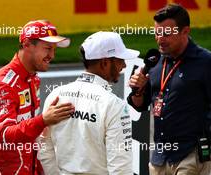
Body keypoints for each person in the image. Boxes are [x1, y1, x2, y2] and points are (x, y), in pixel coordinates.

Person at [37, 31, 140, 175]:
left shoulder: (56, 95)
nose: (123, 65)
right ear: (104, 62)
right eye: (119, 60)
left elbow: (44, 149)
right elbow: (121, 167)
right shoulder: (114, 105)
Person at [0, 20, 75, 175]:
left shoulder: (33, 79)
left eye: (54, 50)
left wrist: (38, 167)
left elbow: (27, 131)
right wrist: (43, 120)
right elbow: (5, 135)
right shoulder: (3, 85)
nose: (52, 56)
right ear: (27, 45)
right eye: (47, 49)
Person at [127, 4, 211, 175]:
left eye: (166, 33)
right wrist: (138, 90)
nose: (160, 39)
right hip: (159, 157)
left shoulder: (205, 62)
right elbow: (140, 105)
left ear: (185, 31)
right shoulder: (154, 62)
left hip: (191, 155)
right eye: (157, 33)